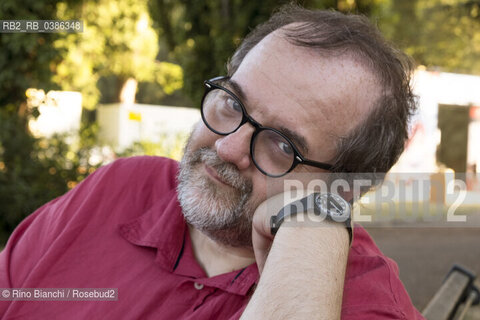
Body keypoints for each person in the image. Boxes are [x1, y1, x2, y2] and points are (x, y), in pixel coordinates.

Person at [0, 4, 424, 319]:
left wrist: (317, 227)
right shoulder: (122, 187)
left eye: (280, 145)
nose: (228, 148)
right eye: (232, 102)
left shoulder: (364, 304)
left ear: (344, 188)